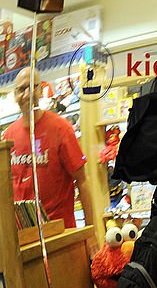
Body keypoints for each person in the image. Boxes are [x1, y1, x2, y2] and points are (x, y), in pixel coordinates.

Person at [4, 67, 94, 229]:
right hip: (24, 234)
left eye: (31, 87)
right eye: (21, 90)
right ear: (15, 94)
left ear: (40, 90)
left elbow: (82, 180)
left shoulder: (60, 128)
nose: (26, 95)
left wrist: (90, 231)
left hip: (59, 232)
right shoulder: (9, 135)